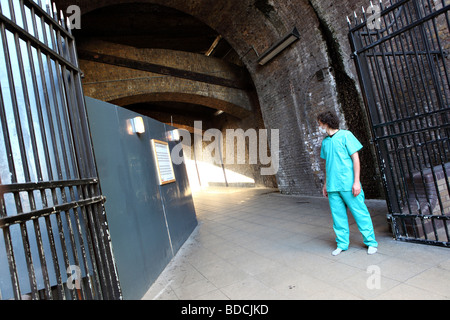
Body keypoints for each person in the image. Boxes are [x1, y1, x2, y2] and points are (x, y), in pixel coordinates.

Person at [317, 111, 378, 256]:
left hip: (348, 184)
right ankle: (342, 244)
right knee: (338, 217)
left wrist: (356, 182)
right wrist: (326, 184)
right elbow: (328, 165)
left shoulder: (346, 136)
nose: (319, 125)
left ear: (326, 122)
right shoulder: (325, 142)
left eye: (319, 122)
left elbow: (356, 159)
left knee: (360, 213)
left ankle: (371, 242)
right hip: (333, 186)